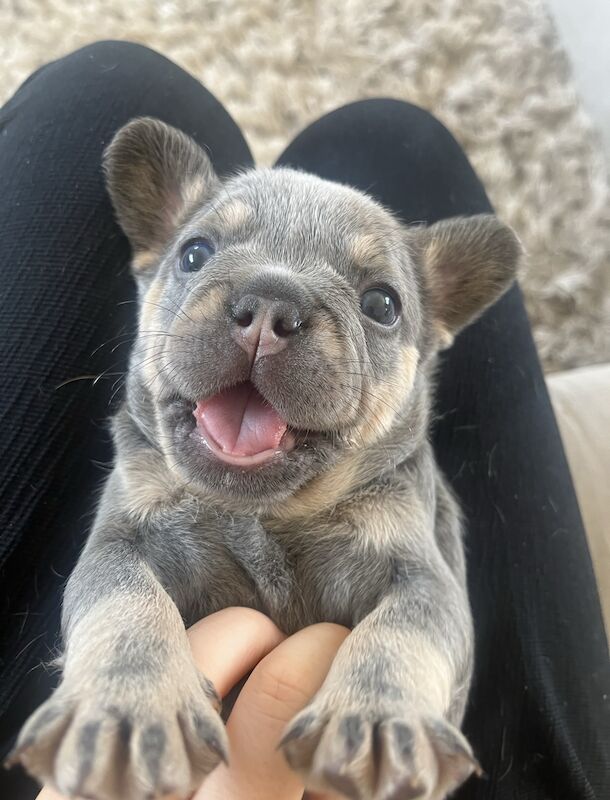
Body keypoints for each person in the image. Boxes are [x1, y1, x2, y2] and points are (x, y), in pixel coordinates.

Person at [0, 41, 607, 800]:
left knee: (103, 84)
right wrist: (125, 666)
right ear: (151, 255)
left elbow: (426, 600)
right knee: (396, 140)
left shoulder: (389, 503)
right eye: (195, 255)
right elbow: (114, 565)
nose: (264, 319)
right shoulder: (151, 458)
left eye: (380, 305)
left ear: (435, 327)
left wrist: (392, 691)